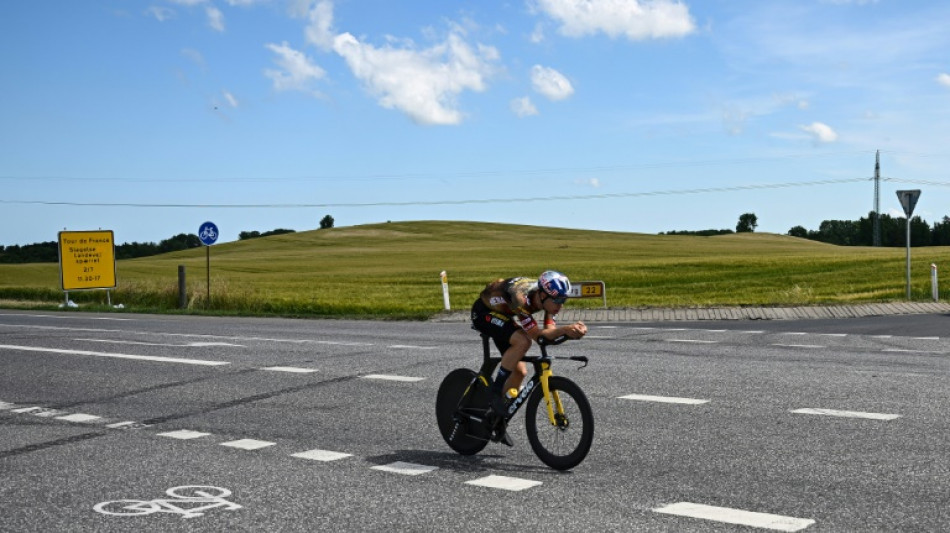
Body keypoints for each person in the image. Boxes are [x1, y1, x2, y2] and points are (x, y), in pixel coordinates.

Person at [470, 270, 588, 445]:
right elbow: (537, 336)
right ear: (542, 295)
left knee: (519, 372)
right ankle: (495, 393)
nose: (560, 305)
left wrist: (570, 333)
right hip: (483, 312)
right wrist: (564, 330)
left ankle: (495, 418)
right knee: (523, 341)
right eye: (557, 300)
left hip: (504, 314)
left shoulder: (548, 300)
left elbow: (548, 333)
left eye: (564, 300)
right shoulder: (520, 299)